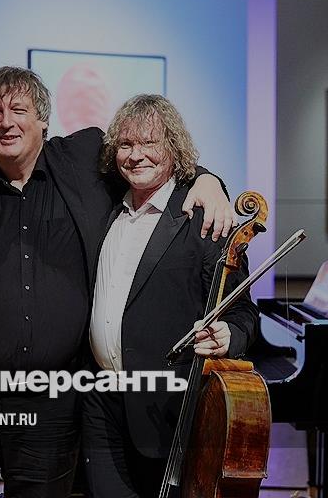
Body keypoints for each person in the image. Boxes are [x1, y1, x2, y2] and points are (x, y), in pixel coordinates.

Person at [0, 66, 234, 498]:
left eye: (19, 110)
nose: (6, 122)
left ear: (43, 120)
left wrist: (207, 180)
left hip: (52, 405)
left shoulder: (82, 160)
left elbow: (150, 154)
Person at [82, 94, 257, 497]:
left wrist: (229, 335)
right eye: (126, 144)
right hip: (101, 407)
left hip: (168, 414)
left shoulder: (205, 220)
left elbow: (244, 313)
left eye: (149, 143)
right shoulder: (107, 207)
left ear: (174, 148)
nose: (135, 155)